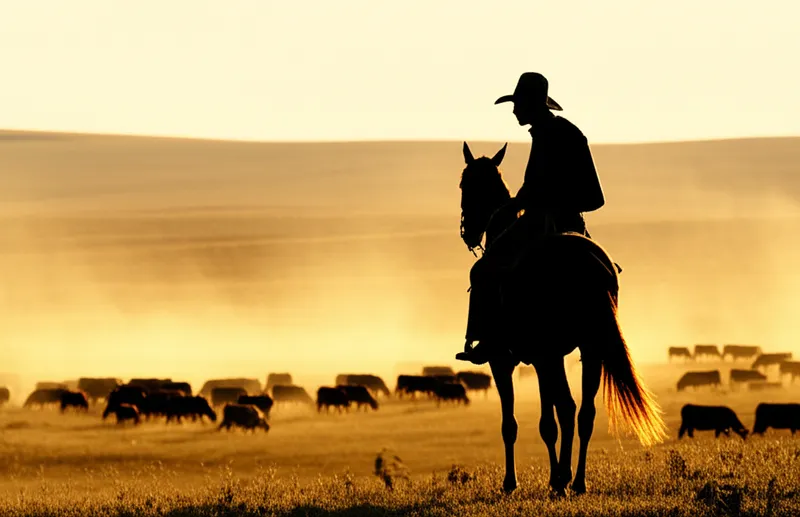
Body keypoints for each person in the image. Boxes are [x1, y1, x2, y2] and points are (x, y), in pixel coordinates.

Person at [456, 72, 607, 365]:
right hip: (574, 225)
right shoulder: (567, 132)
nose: (514, 110)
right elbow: (593, 195)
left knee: (485, 269)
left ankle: (487, 340)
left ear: (531, 105)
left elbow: (538, 189)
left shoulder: (549, 134)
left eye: (517, 104)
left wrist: (516, 207)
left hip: (542, 222)